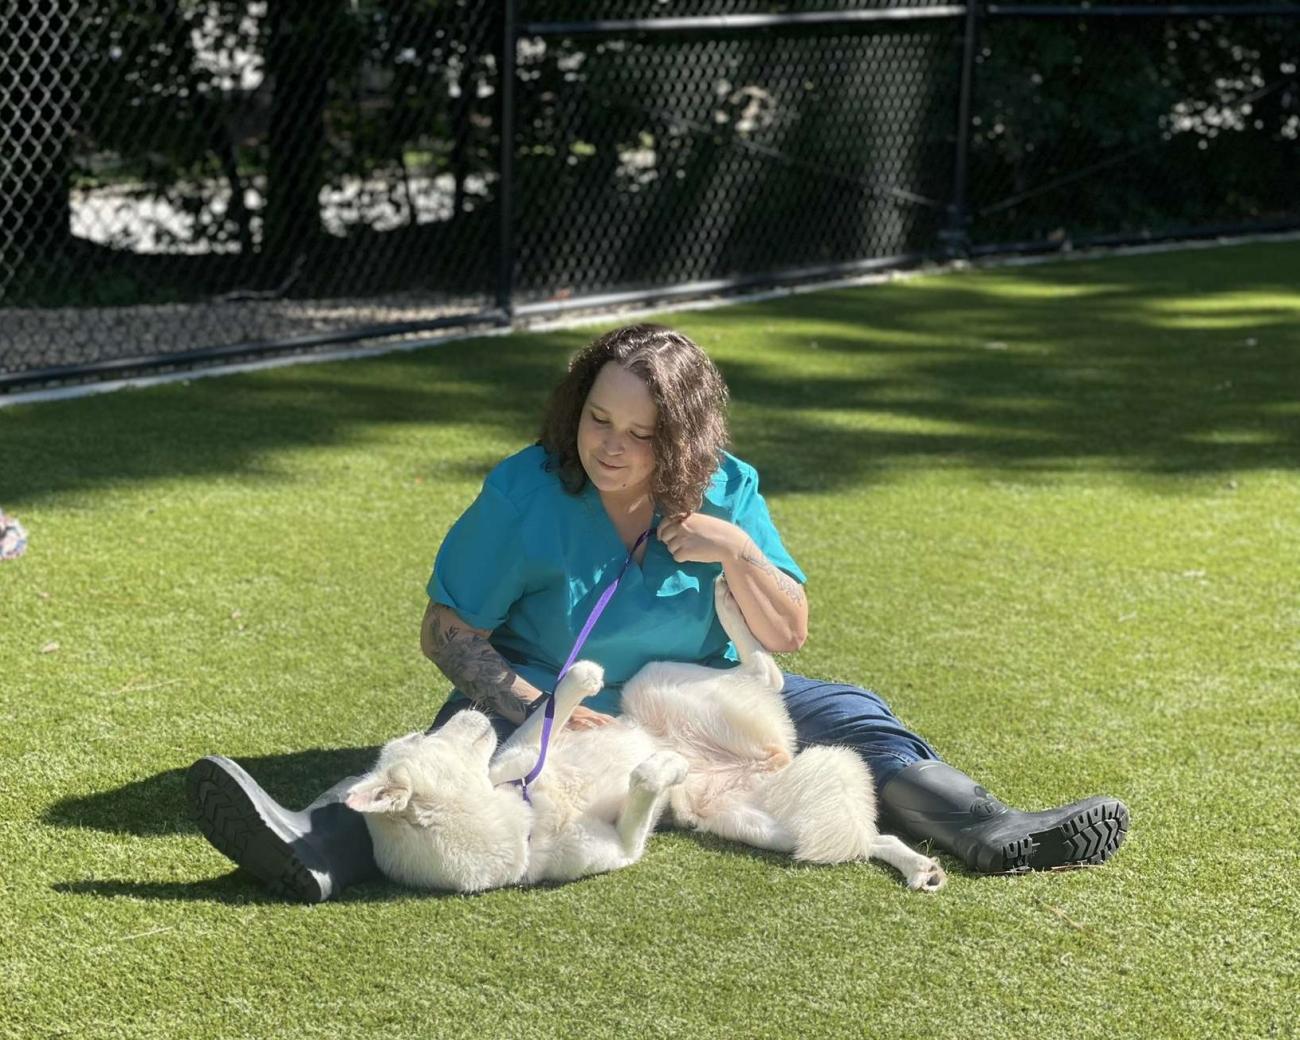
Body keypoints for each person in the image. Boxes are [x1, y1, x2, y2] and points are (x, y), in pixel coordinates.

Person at [188, 324, 1128, 902]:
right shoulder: (527, 492)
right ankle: (313, 847)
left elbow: (787, 633)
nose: (612, 447)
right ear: (577, 404)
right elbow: (445, 629)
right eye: (599, 418)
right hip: (552, 703)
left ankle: (989, 830)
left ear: (683, 439)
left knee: (853, 715)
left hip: (699, 701)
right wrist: (524, 699)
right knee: (445, 770)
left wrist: (739, 549)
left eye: (642, 435)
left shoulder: (728, 489)